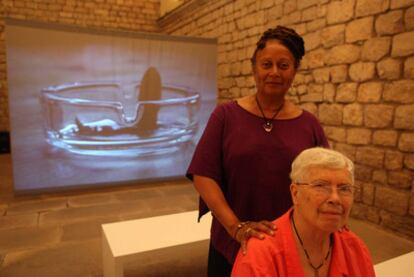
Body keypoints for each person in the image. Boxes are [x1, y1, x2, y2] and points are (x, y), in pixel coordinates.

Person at [187, 25, 329, 276]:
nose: (274, 72)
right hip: (230, 242)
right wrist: (236, 227)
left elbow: (326, 181)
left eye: (283, 65)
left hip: (290, 244)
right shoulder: (226, 116)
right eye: (267, 64)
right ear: (254, 68)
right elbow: (203, 175)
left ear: (295, 71)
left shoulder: (309, 125)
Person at [231, 147, 376, 277]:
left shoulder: (355, 249)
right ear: (295, 193)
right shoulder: (260, 254)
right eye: (321, 186)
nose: (335, 198)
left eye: (344, 188)